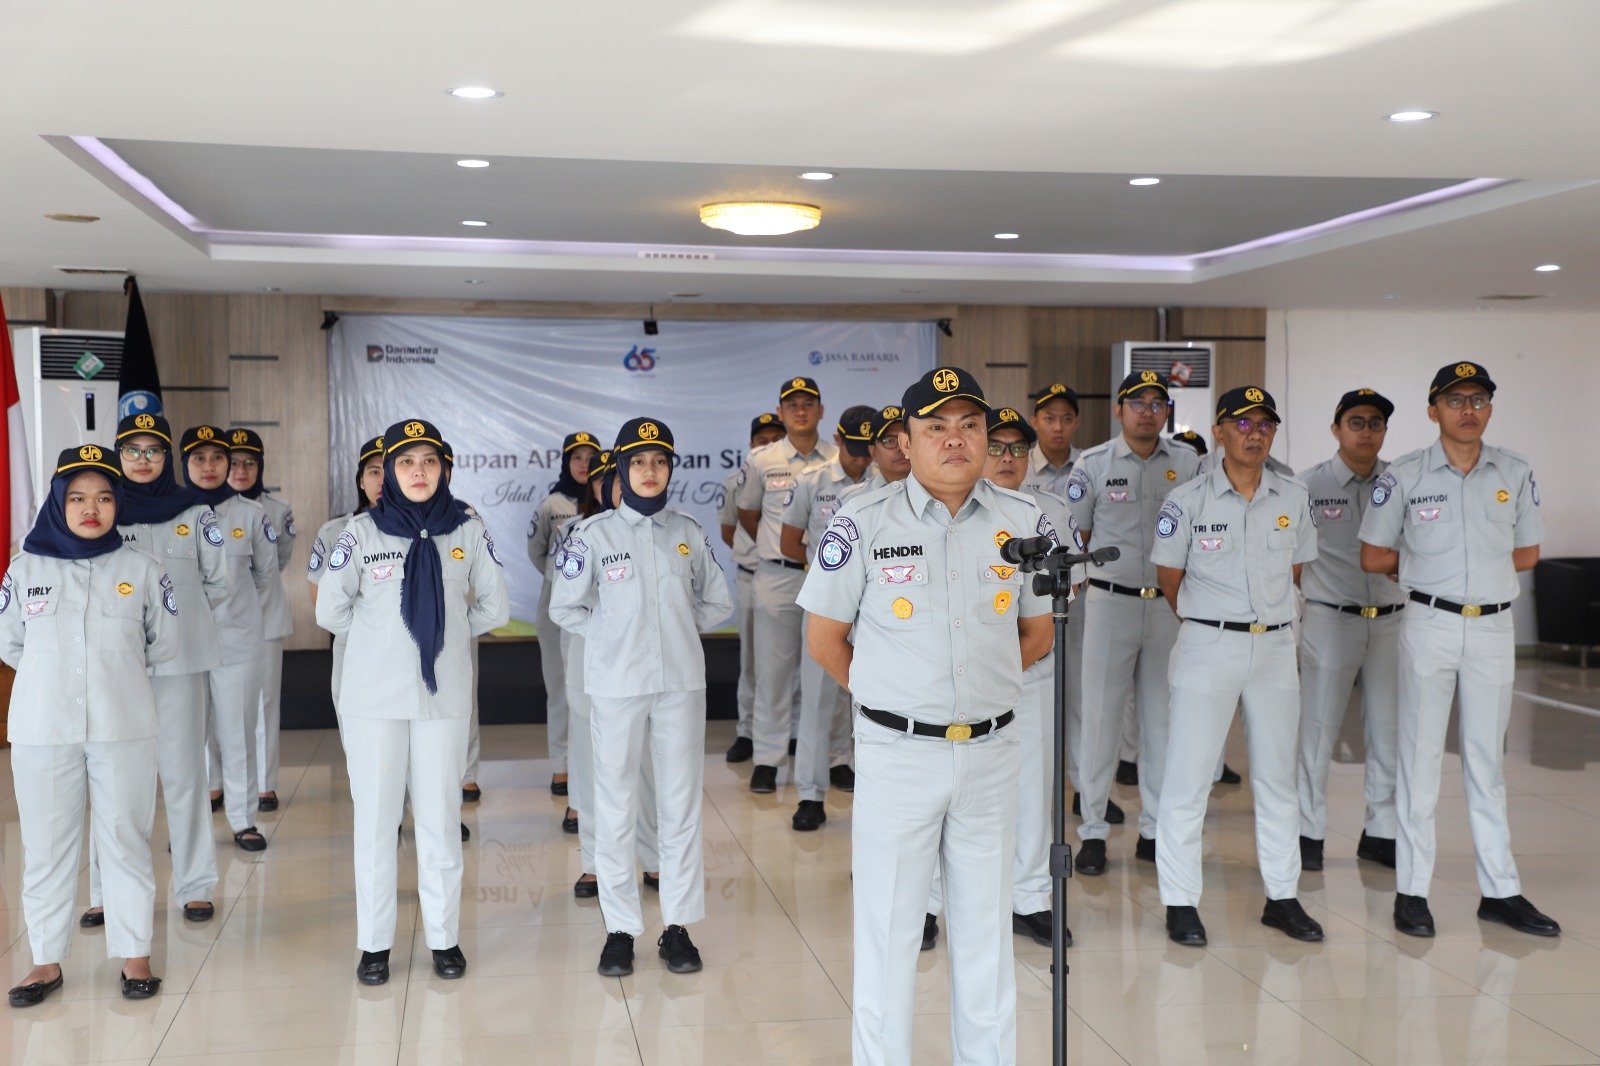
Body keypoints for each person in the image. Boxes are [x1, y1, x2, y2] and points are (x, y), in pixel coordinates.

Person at [799, 367, 1053, 1066]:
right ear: (905, 442)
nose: (956, 439)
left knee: (983, 938)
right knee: (889, 935)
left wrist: (972, 698)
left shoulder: (1022, 522)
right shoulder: (862, 522)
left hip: (992, 753)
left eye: (969, 425)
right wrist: (896, 700)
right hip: (898, 754)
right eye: (935, 426)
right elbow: (824, 639)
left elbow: (1038, 632)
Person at [1359, 361, 1558, 939]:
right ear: (1433, 410)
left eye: (1478, 400)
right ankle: (1412, 892)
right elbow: (1373, 556)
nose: (1467, 410)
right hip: (1430, 624)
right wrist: (1426, 569)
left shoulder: (1514, 472)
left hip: (1495, 628)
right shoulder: (1404, 475)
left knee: (1487, 765)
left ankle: (1501, 891)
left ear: (1489, 409)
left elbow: (1526, 555)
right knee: (1418, 760)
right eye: (1455, 400)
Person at [315, 418, 510, 985]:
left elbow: (495, 608)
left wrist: (440, 636)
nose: (418, 472)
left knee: (440, 821)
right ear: (389, 472)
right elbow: (330, 612)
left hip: (441, 697)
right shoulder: (360, 532)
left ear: (444, 469)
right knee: (375, 825)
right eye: (406, 462)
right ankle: (375, 946)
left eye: (429, 461)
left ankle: (444, 939)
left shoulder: (467, 530)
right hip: (373, 700)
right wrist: (388, 640)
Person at [550, 417, 733, 978]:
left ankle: (677, 926)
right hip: (616, 686)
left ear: (670, 469)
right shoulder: (592, 535)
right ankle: (620, 930)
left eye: (659, 462)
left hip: (679, 685)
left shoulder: (687, 531)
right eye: (638, 463)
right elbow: (566, 607)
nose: (649, 471)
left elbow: (718, 601)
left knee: (679, 805)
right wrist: (613, 638)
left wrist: (674, 628)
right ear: (620, 472)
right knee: (615, 805)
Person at [3, 445, 177, 1005]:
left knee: (125, 839)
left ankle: (135, 954)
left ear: (117, 502)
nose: (91, 509)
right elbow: (8, 644)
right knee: (47, 846)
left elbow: (164, 644)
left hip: (122, 724)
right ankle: (45, 962)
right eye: (77, 498)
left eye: (103, 497)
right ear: (58, 502)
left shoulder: (144, 569)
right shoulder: (24, 570)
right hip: (42, 727)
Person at [1151, 386, 1322, 947]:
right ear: (1220, 431)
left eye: (1264, 423)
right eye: (1242, 423)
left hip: (1274, 648)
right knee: (1188, 778)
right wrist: (1214, 624)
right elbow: (1169, 584)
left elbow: (1296, 571)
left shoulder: (1293, 497)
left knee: (1277, 778)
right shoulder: (1188, 502)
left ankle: (1283, 896)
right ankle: (1180, 902)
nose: (1255, 432)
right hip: (1207, 646)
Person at [80, 415, 228, 932]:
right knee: (113, 783)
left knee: (186, 776)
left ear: (168, 457)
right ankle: (103, 893)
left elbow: (219, 582)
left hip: (180, 665)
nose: (143, 460)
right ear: (118, 455)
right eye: (133, 450)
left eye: (154, 450)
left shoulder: (196, 510)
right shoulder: (104, 512)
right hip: (116, 671)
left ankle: (194, 886)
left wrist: (178, 624)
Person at [1066, 372, 1202, 876]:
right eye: (1137, 403)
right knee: (1099, 719)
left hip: (1168, 606)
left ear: (1167, 411)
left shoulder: (1188, 464)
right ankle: (1094, 830)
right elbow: (1077, 536)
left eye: (1157, 403)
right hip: (1109, 603)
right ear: (1119, 410)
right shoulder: (1094, 464)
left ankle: (1153, 828)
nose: (1147, 411)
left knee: (1161, 721)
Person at [1296, 389, 1406, 873]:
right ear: (1337, 428)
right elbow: (1292, 560)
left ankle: (1381, 832)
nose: (1366, 432)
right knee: (1317, 728)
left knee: (1388, 729)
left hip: (1390, 621)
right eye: (1356, 422)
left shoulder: (1403, 482)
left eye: (1376, 423)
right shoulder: (1306, 486)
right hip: (1330, 619)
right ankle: (1307, 832)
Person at [551, 449, 661, 900]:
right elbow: (568, 604)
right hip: (590, 655)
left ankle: (654, 858)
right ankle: (595, 862)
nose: (617, 486)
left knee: (649, 761)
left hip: (644, 662)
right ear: (598, 487)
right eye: (608, 480)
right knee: (591, 756)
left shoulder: (661, 530)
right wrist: (603, 629)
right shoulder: (580, 533)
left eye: (623, 476)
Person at [736, 377, 836, 794]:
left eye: (808, 403)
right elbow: (748, 514)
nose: (800, 411)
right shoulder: (761, 459)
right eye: (791, 404)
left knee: (829, 674)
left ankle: (836, 758)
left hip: (828, 582)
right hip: (777, 577)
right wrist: (782, 549)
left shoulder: (837, 457)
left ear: (820, 410)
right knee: (773, 673)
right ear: (779, 412)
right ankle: (767, 759)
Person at [780, 405, 876, 830]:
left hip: (873, 608)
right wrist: (828, 575)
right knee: (818, 699)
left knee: (865, 695)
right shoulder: (811, 480)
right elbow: (788, 542)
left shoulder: (886, 484)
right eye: (854, 449)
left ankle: (848, 765)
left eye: (866, 450)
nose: (860, 459)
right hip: (827, 605)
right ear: (837, 440)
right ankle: (809, 793)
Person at [184, 424, 277, 852]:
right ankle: (193, 827)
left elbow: (264, 576)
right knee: (187, 737)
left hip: (237, 642)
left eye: (217, 458)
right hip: (182, 648)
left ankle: (244, 819)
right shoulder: (173, 513)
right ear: (184, 463)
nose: (209, 467)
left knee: (237, 730)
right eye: (199, 458)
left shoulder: (252, 515)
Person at [224, 428, 296, 814]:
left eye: (250, 462)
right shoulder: (205, 509)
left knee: (264, 704)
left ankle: (265, 786)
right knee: (216, 709)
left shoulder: (278, 511)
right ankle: (216, 784)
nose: (241, 469)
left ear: (260, 467)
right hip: (219, 624)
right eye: (233, 462)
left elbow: (278, 561)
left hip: (265, 618)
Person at [527, 430, 602, 801]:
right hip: (556, 604)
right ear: (566, 462)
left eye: (591, 458)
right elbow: (538, 552)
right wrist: (563, 584)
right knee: (559, 686)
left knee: (595, 691)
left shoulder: (611, 504)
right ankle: (562, 764)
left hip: (599, 607)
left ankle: (596, 764)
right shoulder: (551, 504)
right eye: (577, 458)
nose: (584, 465)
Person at [718, 413, 784, 763]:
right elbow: (729, 532)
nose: (769, 445)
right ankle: (747, 731)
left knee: (794, 660)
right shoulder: (736, 481)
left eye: (776, 438)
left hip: (791, 577)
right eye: (762, 440)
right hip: (751, 575)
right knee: (752, 660)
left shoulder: (801, 478)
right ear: (751, 445)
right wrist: (762, 552)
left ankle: (792, 730)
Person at [307, 433, 384, 710]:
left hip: (404, 650)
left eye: (391, 470)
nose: (382, 481)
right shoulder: (335, 532)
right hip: (353, 647)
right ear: (361, 481)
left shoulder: (422, 533)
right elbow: (319, 599)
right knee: (355, 740)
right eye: (374, 472)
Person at [1025, 382, 1082, 499]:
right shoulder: (1020, 467)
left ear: (1076, 423)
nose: (1058, 427)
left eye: (1067, 419)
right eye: (1049, 418)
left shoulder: (1088, 466)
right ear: (1034, 422)